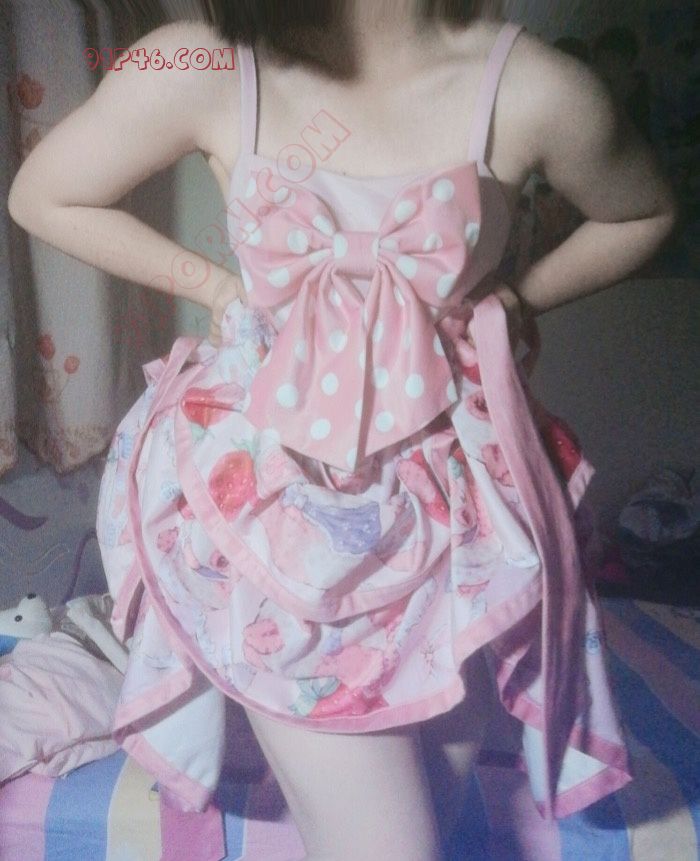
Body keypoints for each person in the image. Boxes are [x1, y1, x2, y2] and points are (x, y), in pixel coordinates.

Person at [8, 2, 678, 859]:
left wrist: (517, 300)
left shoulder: (535, 89)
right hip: (276, 512)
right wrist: (214, 287)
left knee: (430, 817)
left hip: (456, 517)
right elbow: (44, 193)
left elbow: (643, 211)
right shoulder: (205, 64)